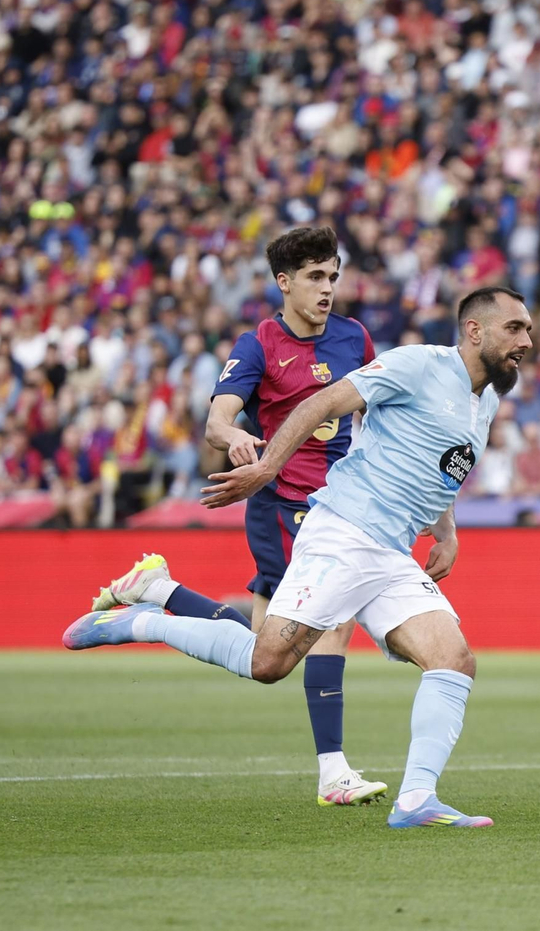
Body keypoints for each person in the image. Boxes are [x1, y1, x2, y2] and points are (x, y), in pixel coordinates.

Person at [64, 287, 536, 830]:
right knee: (267, 664)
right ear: (475, 331)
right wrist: (266, 468)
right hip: (344, 531)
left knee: (454, 661)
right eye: (515, 328)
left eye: (526, 330)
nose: (526, 340)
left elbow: (444, 469)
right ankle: (141, 620)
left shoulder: (489, 400)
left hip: (391, 552)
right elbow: (321, 403)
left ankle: (415, 802)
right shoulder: (417, 365)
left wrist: (446, 533)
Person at [88, 227, 386, 807]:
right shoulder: (258, 346)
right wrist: (239, 438)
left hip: (343, 505)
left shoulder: (355, 339)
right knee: (331, 618)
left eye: (333, 276)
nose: (328, 289)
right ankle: (334, 773)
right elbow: (217, 422)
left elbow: (379, 413)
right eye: (315, 278)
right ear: (285, 283)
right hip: (285, 506)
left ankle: (158, 591)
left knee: (262, 650)